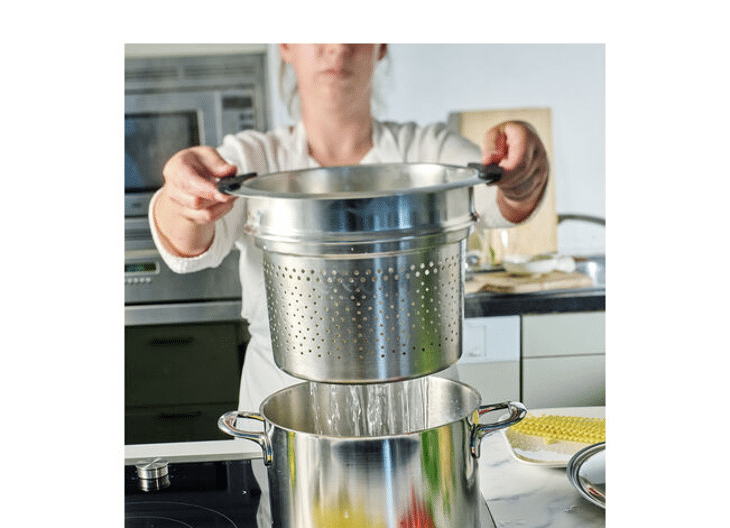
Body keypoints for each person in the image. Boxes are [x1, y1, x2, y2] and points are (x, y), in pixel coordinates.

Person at [149, 43, 549, 412]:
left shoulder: (428, 150)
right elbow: (187, 245)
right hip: (285, 422)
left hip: (420, 418)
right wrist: (183, 196)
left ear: (381, 46)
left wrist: (521, 171)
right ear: (286, 45)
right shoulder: (253, 158)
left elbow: (502, 201)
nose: (339, 46)